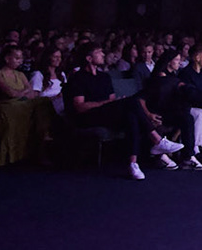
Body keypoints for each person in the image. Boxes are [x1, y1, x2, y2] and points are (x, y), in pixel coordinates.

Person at [64, 47, 183, 179]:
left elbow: (112, 99)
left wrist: (111, 103)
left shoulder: (104, 77)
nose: (103, 54)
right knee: (132, 102)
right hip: (88, 116)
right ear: (89, 58)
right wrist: (105, 103)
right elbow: (80, 107)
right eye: (98, 52)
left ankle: (133, 164)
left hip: (106, 112)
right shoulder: (78, 78)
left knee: (132, 116)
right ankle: (157, 141)